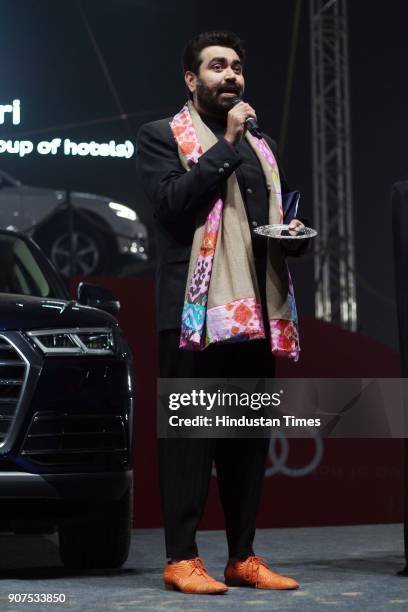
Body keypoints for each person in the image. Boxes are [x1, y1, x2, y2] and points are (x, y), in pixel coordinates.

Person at [137, 30, 306, 594]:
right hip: (192, 313)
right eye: (217, 67)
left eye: (237, 66)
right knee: (189, 439)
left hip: (253, 310)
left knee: (246, 441)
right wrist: (225, 145)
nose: (231, 75)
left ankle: (242, 556)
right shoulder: (163, 136)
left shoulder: (264, 147)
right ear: (192, 80)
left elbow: (262, 228)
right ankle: (181, 559)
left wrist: (293, 239)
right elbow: (171, 208)